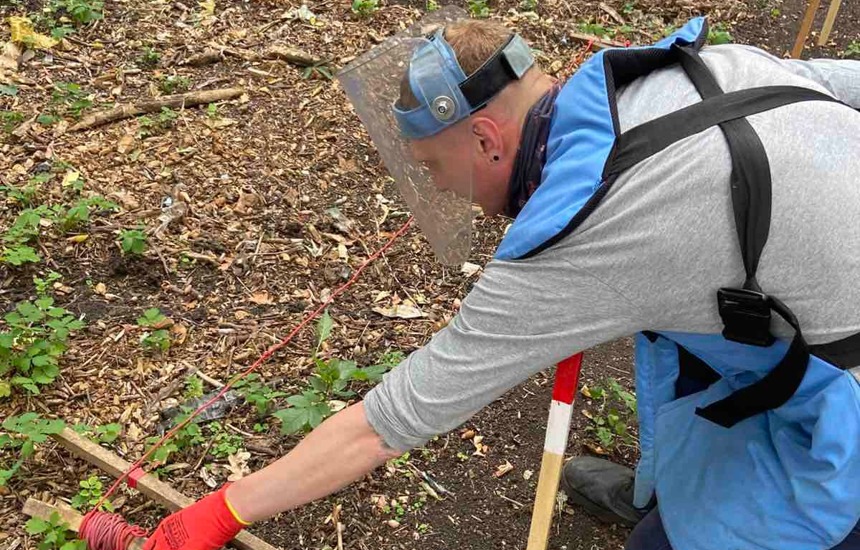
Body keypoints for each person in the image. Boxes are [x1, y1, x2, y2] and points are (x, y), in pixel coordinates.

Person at [141, 12, 860, 550]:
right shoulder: (682, 71)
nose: (443, 191)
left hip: (843, 391)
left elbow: (389, 422)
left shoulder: (584, 231)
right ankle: (669, 493)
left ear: (485, 139)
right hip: (788, 311)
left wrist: (219, 513)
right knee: (689, 359)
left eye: (432, 170)